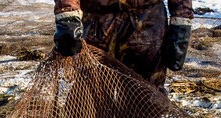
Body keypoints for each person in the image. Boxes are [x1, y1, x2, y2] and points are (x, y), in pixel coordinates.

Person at [53, 0, 194, 90]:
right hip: (96, 22)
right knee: (88, 96)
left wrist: (181, 24)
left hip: (147, 25)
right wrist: (67, 16)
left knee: (146, 101)